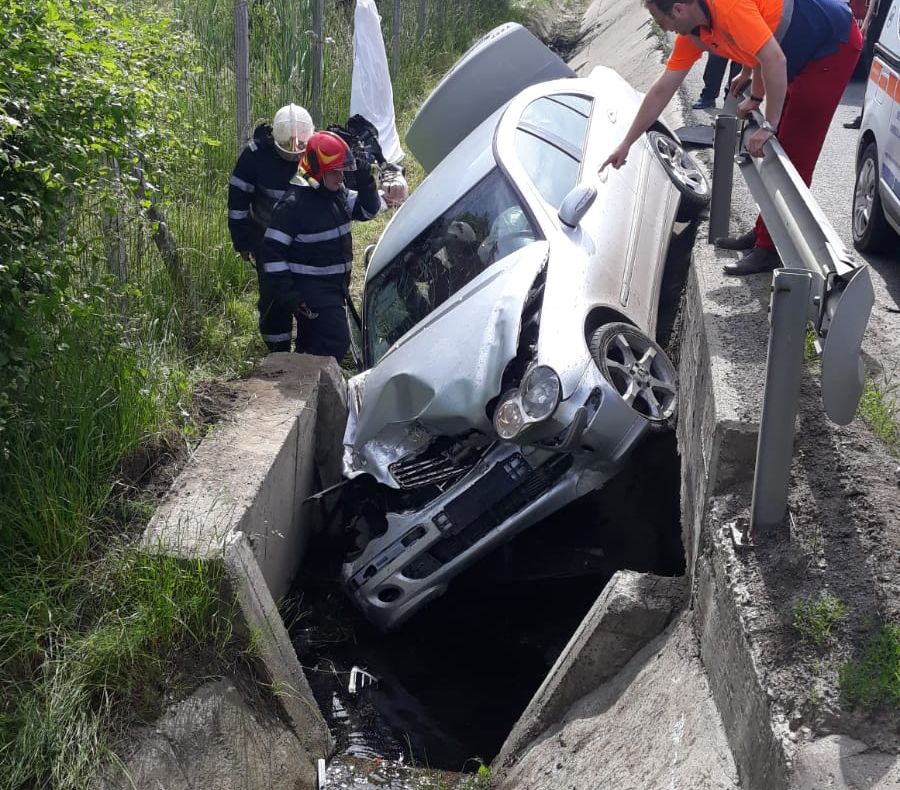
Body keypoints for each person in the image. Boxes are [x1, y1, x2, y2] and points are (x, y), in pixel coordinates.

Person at [602, 0, 862, 276]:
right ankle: (765, 233)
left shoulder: (728, 8)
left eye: (659, 19)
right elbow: (661, 90)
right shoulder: (695, 32)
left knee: (795, 148)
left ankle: (769, 250)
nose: (662, 26)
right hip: (794, 44)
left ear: (678, 9)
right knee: (781, 144)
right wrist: (626, 144)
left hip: (832, 43)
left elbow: (773, 58)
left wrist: (769, 125)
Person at [258, 131, 380, 361]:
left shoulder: (336, 195)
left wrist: (365, 180)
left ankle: (300, 380)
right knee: (336, 340)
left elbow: (368, 210)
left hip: (335, 287)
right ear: (316, 170)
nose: (340, 178)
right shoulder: (293, 205)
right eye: (334, 172)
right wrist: (291, 297)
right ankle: (311, 383)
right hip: (312, 291)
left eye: (342, 171)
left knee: (312, 341)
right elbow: (271, 254)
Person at [228, 103, 314, 352]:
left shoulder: (316, 151)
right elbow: (238, 201)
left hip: (305, 243)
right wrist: (242, 241)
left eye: (299, 149)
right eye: (287, 149)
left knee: (308, 293)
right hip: (265, 240)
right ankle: (277, 353)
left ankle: (309, 350)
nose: (293, 154)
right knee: (273, 297)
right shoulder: (256, 155)